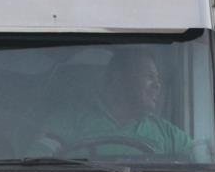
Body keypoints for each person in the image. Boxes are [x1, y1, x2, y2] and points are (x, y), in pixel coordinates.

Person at [42, 49, 193, 157]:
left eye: (158, 79)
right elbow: (39, 162)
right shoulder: (70, 120)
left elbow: (201, 159)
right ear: (119, 79)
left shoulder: (166, 133)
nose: (157, 85)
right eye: (149, 76)